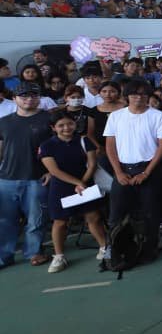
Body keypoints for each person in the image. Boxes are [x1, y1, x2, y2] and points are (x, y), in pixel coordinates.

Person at [103, 80, 162, 263]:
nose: (138, 98)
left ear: (148, 96)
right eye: (134, 94)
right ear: (127, 96)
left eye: (143, 94)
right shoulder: (116, 116)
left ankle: (150, 248)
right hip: (123, 169)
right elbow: (110, 146)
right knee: (115, 213)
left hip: (149, 168)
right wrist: (118, 172)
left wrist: (146, 173)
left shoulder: (158, 116)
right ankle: (114, 248)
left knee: (150, 212)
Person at [39, 111, 108, 272]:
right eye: (61, 125)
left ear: (75, 123)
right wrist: (78, 183)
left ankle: (104, 247)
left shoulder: (84, 141)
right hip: (61, 187)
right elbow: (54, 171)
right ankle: (59, 256)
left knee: (94, 217)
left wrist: (82, 183)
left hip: (86, 183)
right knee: (60, 222)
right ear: (53, 128)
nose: (66, 128)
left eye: (69, 123)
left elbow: (91, 165)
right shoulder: (46, 146)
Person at [0, 84, 53, 267]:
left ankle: (34, 252)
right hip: (6, 178)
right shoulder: (4, 122)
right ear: (14, 99)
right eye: (23, 96)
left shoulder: (49, 119)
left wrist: (51, 172)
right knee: (5, 220)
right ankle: (4, 256)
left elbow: (58, 145)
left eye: (33, 95)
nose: (29, 99)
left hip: (37, 177)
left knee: (36, 219)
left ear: (39, 98)